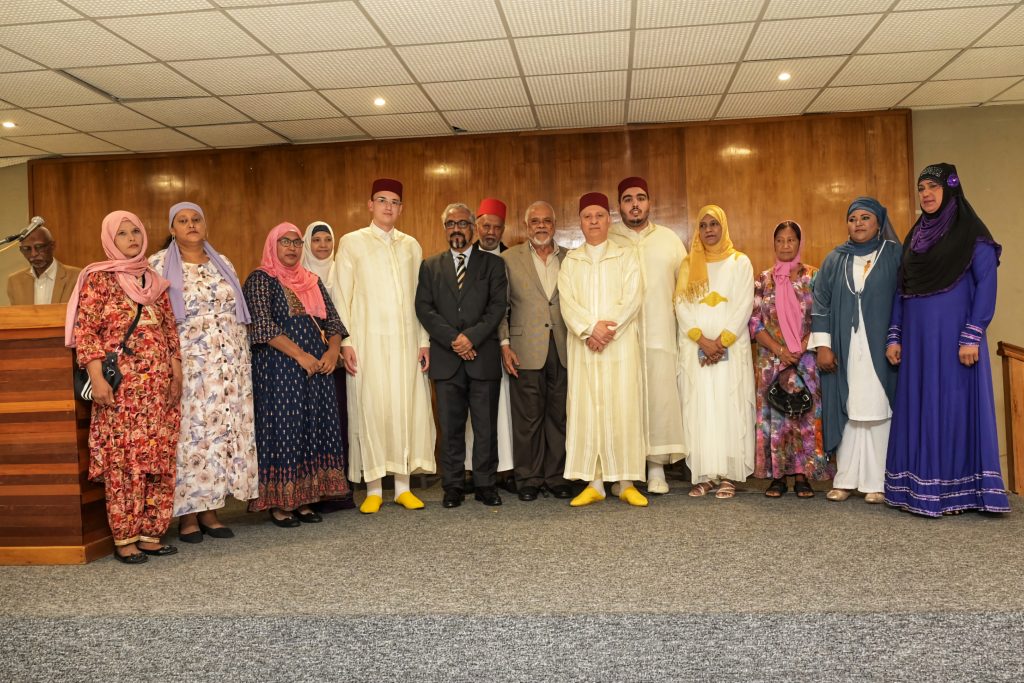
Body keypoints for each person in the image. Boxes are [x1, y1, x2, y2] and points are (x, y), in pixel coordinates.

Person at [884, 164, 1010, 516]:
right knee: (921, 406)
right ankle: (919, 490)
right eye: (921, 187)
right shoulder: (915, 237)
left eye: (933, 187)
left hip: (956, 342)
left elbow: (987, 284)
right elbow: (902, 288)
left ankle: (959, 492)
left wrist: (973, 333)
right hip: (919, 343)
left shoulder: (972, 233)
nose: (925, 193)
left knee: (953, 408)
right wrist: (895, 334)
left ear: (950, 190)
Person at [64, 211, 182, 564]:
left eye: (136, 231)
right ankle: (124, 536)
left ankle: (150, 532)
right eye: (122, 234)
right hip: (123, 391)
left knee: (159, 461)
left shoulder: (154, 281)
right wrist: (98, 380)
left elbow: (170, 331)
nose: (131, 238)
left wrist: (176, 374)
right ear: (109, 240)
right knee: (125, 464)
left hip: (159, 391)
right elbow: (86, 334)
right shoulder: (98, 279)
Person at [149, 202, 258, 542]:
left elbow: (237, 314)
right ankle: (188, 516)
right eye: (182, 221)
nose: (191, 225)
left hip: (228, 366)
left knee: (220, 436)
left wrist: (242, 364)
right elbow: (157, 319)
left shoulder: (222, 263)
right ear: (172, 229)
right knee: (191, 438)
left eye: (196, 219)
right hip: (190, 365)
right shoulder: (158, 265)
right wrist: (170, 363)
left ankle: (212, 511)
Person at [331, 179, 436, 513]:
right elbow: (340, 296)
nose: (388, 207)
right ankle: (374, 488)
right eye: (382, 200)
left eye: (394, 202)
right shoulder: (352, 243)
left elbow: (422, 298)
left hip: (406, 343)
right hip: (367, 343)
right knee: (371, 409)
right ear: (370, 205)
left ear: (401, 208)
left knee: (405, 409)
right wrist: (345, 341)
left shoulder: (411, 245)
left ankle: (403, 486)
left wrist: (423, 341)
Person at [243, 223, 349, 527]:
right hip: (279, 370)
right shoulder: (261, 280)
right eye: (284, 242)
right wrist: (302, 356)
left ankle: (305, 498)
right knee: (283, 430)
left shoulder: (312, 281)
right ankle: (279, 503)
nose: (291, 248)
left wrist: (331, 353)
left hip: (318, 370)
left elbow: (335, 323)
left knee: (312, 428)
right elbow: (262, 327)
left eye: (296, 242)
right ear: (272, 246)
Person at [415, 202, 508, 508]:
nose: (456, 229)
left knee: (485, 428)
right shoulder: (431, 266)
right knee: (451, 428)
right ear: (445, 229)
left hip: (482, 357)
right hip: (447, 359)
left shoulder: (493, 265)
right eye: (450, 223)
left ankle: (485, 484)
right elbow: (424, 308)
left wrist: (471, 338)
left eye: (462, 223)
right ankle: (453, 485)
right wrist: (455, 339)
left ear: (473, 228)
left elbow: (497, 308)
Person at [559, 192, 648, 508]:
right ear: (580, 223)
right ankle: (594, 482)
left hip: (619, 346)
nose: (593, 221)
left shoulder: (625, 256)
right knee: (588, 410)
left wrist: (606, 331)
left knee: (622, 410)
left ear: (608, 220)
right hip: (585, 348)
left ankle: (625, 482)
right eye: (587, 216)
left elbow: (633, 298)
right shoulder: (571, 260)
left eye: (599, 215)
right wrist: (588, 330)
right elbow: (567, 302)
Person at [809, 198, 900, 504]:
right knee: (848, 409)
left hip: (881, 347)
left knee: (878, 409)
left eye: (865, 218)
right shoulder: (836, 258)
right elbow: (819, 302)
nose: (858, 223)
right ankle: (845, 479)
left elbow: (906, 299)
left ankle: (878, 481)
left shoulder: (894, 255)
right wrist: (824, 346)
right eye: (852, 218)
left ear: (879, 223)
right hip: (844, 348)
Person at [608, 177, 686, 494]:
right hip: (619, 340)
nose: (635, 204)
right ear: (619, 206)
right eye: (628, 199)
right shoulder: (609, 239)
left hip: (660, 335)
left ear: (650, 202)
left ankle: (656, 469)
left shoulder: (669, 241)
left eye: (640, 198)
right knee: (623, 405)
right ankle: (625, 470)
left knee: (658, 403)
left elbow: (685, 291)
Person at [675, 205, 755, 499]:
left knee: (728, 406)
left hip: (729, 348)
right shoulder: (688, 264)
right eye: (704, 225)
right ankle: (706, 475)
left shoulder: (740, 262)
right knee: (701, 408)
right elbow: (681, 305)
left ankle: (728, 476)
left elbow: (744, 303)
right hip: (697, 348)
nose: (709, 230)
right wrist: (702, 340)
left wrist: (721, 341)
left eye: (714, 224)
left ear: (723, 227)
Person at [750, 221, 831, 498]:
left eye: (791, 241)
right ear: (774, 245)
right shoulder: (763, 279)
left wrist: (803, 345)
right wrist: (780, 350)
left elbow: (822, 315)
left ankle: (803, 475)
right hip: (772, 361)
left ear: (799, 243)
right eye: (780, 241)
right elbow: (754, 323)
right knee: (776, 419)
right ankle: (778, 477)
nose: (785, 246)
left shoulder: (814, 277)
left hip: (805, 360)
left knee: (803, 417)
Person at [500, 201, 572, 500]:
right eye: (535, 222)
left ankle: (556, 477)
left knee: (558, 416)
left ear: (554, 225)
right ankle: (528, 478)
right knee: (527, 418)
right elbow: (499, 307)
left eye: (546, 221)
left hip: (563, 346)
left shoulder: (571, 258)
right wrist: (504, 344)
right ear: (526, 226)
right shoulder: (508, 259)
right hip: (524, 347)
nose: (541, 226)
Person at [302, 220, 354, 513]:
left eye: (327, 239)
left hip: (338, 357)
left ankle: (340, 491)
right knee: (313, 424)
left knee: (340, 423)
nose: (322, 245)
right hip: (309, 359)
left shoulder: (342, 270)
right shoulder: (300, 275)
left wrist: (342, 346)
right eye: (316, 240)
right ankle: (313, 492)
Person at [464, 198, 515, 493]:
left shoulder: (512, 258)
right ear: (476, 226)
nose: (490, 232)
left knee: (503, 409)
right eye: (485, 225)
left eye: (496, 227)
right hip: (470, 348)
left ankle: (506, 469)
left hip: (503, 346)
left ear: (503, 229)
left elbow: (508, 306)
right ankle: (474, 470)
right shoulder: (462, 257)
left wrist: (506, 341)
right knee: (474, 412)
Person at [7, 225, 81, 305]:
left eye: (39, 247)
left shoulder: (77, 277)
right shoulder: (15, 281)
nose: (33, 254)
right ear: (21, 251)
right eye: (27, 249)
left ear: (52, 246)